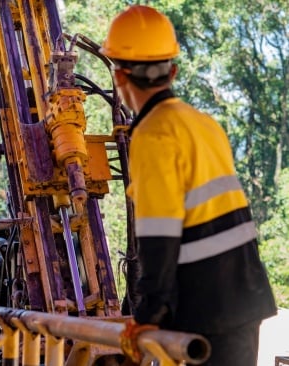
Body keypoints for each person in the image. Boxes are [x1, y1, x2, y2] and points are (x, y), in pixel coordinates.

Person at [99, 5, 277, 365]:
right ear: (173, 70)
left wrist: (149, 317)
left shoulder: (152, 134)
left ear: (119, 77)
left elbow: (160, 234)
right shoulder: (203, 123)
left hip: (207, 310)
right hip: (245, 297)